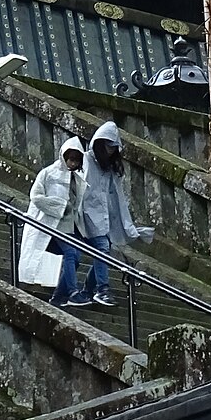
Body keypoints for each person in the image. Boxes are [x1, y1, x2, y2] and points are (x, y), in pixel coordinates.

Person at [69, 120, 154, 307]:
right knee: (99, 249)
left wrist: (124, 223)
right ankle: (101, 289)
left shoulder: (110, 168)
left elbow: (116, 197)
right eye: (107, 146)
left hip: (102, 217)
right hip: (85, 215)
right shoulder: (86, 160)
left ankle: (88, 291)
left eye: (113, 147)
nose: (110, 150)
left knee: (103, 251)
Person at [18, 136, 90, 308]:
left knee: (76, 256)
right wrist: (59, 206)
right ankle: (72, 292)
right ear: (63, 156)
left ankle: (59, 296)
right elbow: (36, 197)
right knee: (71, 254)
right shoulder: (48, 173)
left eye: (76, 160)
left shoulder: (77, 179)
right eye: (70, 159)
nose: (72, 163)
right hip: (50, 225)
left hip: (69, 226)